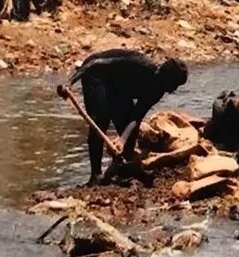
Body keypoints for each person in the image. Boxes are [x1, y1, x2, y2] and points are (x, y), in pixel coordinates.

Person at [66, 50, 189, 185]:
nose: (172, 90)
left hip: (119, 89)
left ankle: (118, 171)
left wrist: (122, 140)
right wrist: (70, 82)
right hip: (98, 74)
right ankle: (95, 175)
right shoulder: (140, 64)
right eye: (174, 84)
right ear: (165, 77)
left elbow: (136, 117)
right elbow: (95, 63)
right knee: (101, 121)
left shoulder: (157, 91)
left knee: (130, 132)